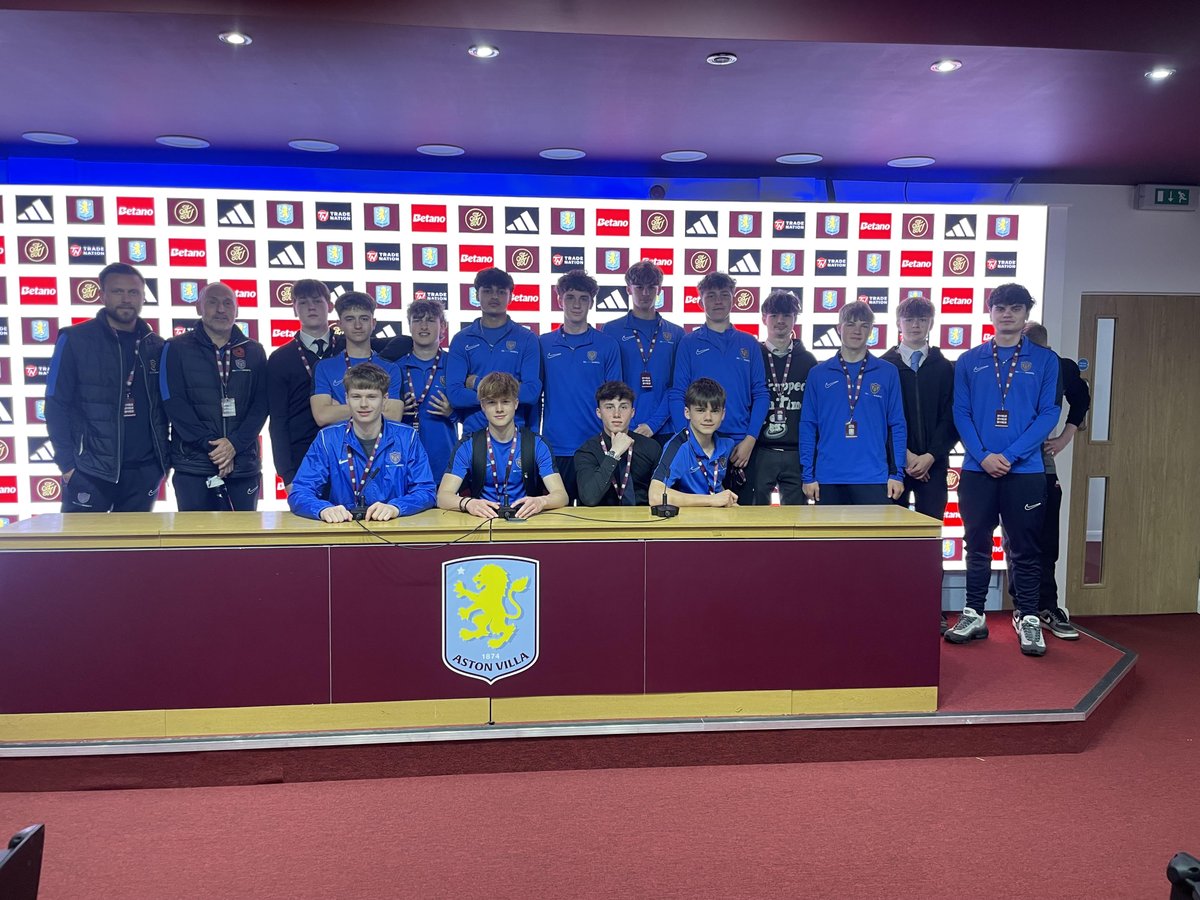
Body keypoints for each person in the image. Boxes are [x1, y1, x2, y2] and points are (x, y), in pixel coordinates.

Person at [945, 284, 1062, 657]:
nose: (1007, 314)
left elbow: (1049, 414)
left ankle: (1028, 617)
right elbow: (960, 412)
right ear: (990, 312)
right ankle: (974, 613)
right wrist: (982, 455)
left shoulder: (1046, 361)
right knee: (976, 545)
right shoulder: (969, 360)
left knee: (1025, 548)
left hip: (1024, 471)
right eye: (1000, 307)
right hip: (978, 471)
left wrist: (1009, 455)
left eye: (1015, 308)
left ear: (1026, 313)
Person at [46, 262, 169, 512]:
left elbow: (167, 407)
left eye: (133, 292)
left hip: (143, 471)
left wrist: (161, 465)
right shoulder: (74, 339)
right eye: (117, 291)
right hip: (89, 471)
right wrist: (67, 465)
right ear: (102, 295)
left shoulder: (157, 345)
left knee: (134, 550)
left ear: (144, 297)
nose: (126, 299)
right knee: (81, 549)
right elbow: (55, 404)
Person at [1008, 322, 1092, 641]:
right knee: (1019, 541)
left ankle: (1047, 606)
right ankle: (1023, 607)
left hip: (1042, 468)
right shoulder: (1005, 367)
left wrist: (1065, 437)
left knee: (1046, 541)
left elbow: (1081, 399)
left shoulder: (1059, 366)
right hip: (1010, 466)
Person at [160, 281, 269, 511]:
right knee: (195, 542)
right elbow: (173, 403)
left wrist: (234, 445)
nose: (221, 309)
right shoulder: (175, 348)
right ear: (199, 307)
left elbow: (262, 404)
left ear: (236, 310)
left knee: (242, 542)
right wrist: (215, 448)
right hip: (194, 464)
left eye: (228, 303)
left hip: (243, 464)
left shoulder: (254, 350)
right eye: (213, 302)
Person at [288, 362, 436, 522]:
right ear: (347, 398)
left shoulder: (407, 437)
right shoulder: (327, 438)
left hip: (394, 529)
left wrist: (396, 507)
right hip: (343, 529)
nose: (364, 404)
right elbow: (300, 491)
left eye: (371, 397)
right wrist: (322, 509)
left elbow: (426, 490)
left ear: (385, 399)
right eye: (356, 396)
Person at [668, 272, 768, 493]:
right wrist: (689, 442)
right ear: (701, 300)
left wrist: (750, 439)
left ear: (734, 298)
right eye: (711, 295)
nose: (718, 301)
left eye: (724, 294)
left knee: (742, 519)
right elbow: (677, 394)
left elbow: (761, 394)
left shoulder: (748, 343)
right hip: (701, 444)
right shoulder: (689, 342)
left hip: (740, 447)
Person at [800, 301, 907, 505]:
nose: (857, 330)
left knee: (872, 538)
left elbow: (897, 425)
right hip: (828, 478)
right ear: (839, 329)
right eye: (850, 324)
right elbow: (808, 426)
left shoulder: (887, 372)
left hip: (874, 477)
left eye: (864, 325)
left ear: (871, 330)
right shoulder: (818, 374)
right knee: (830, 538)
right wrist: (808, 475)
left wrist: (897, 473)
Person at [437, 372, 567, 520]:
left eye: (505, 402)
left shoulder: (537, 444)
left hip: (525, 521)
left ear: (516, 404)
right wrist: (468, 503)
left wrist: (541, 501)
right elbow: (442, 497)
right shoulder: (467, 445)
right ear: (483, 406)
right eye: (492, 402)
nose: (499, 409)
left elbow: (561, 495)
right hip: (483, 521)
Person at [540, 269, 621, 501]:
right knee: (557, 521)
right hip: (556, 446)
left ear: (592, 302)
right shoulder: (543, 344)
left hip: (597, 446)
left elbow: (616, 399)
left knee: (598, 521)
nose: (577, 304)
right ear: (559, 300)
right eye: (570, 297)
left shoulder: (607, 345)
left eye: (583, 298)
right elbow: (534, 396)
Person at [446, 267, 542, 434]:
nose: (495, 297)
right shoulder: (461, 339)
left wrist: (476, 384)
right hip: (473, 437)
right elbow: (455, 395)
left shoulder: (527, 339)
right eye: (488, 291)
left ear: (510, 296)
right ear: (477, 295)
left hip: (516, 438)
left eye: (501, 292)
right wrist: (510, 394)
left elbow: (531, 392)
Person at [267, 279, 342, 491]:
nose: (311, 307)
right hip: (303, 456)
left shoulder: (348, 349)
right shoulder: (280, 358)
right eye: (303, 302)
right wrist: (287, 475)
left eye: (317, 301)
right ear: (294, 309)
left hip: (348, 453)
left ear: (329, 306)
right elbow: (278, 421)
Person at [745, 290, 817, 505]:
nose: (780, 321)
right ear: (763, 318)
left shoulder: (808, 361)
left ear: (795, 319)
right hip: (760, 450)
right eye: (774, 315)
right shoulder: (752, 356)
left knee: (795, 519)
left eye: (786, 315)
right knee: (754, 516)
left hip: (795, 451)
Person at [601, 259, 685, 445]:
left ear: (660, 289)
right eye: (639, 287)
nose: (645, 293)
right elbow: (609, 385)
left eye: (651, 287)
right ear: (628, 289)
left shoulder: (677, 333)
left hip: (665, 428)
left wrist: (653, 424)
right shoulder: (611, 330)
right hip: (623, 427)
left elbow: (677, 387)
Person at [310, 292, 405, 427]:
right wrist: (376, 407)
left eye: (364, 319)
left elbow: (394, 417)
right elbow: (322, 416)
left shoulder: (391, 368)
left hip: (380, 446)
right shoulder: (324, 367)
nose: (358, 326)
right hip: (338, 446)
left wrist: (339, 409)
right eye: (350, 319)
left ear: (373, 323)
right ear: (340, 324)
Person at [391, 299, 458, 480]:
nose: (423, 326)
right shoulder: (396, 368)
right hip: (403, 461)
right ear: (409, 325)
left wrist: (453, 413)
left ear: (443, 326)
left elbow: (475, 413)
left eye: (430, 320)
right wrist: (397, 412)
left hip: (444, 461)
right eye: (417, 320)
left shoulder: (455, 364)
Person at [650, 377, 739, 508]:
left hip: (718, 517)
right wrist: (711, 500)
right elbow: (655, 496)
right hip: (688, 520)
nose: (708, 418)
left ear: (723, 414)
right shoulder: (678, 446)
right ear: (687, 412)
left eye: (714, 411)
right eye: (700, 410)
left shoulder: (727, 444)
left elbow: (713, 484)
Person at [574, 380, 662, 506]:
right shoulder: (587, 451)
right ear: (599, 413)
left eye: (623, 407)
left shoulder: (651, 447)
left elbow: (662, 497)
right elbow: (589, 498)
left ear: (632, 412)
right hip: (601, 522)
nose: (616, 414)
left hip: (644, 520)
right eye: (609, 407)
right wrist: (613, 454)